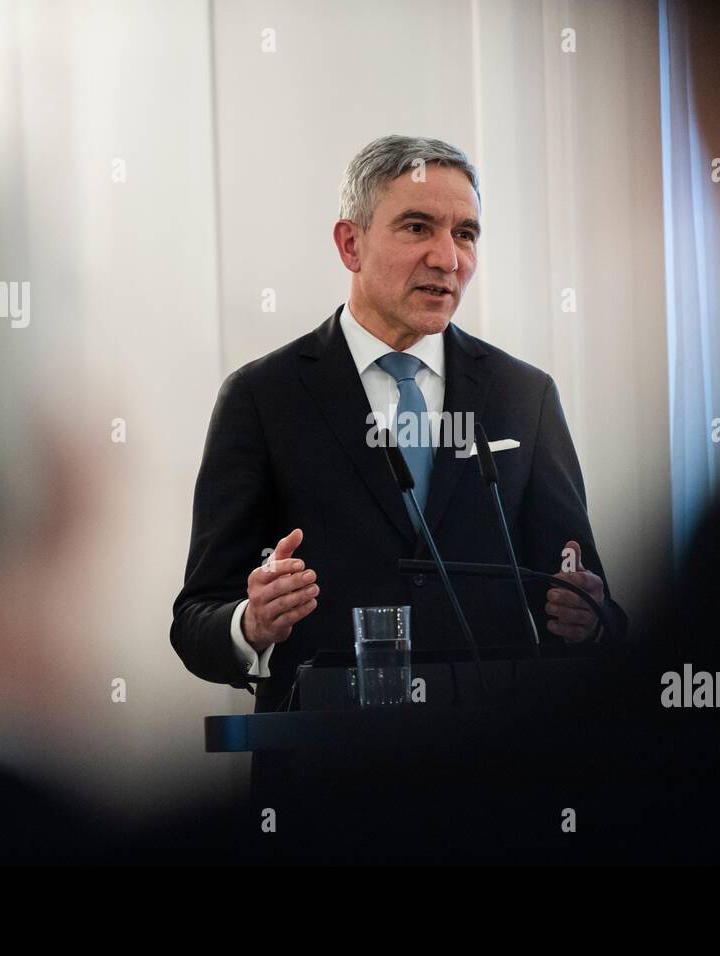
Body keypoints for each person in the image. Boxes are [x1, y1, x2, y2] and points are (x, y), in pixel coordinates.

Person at [170, 135, 628, 711]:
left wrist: (588, 619)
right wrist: (252, 623)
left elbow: (587, 598)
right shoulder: (262, 397)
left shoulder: (523, 395)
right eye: (418, 228)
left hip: (491, 764)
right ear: (350, 244)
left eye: (465, 233)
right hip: (327, 766)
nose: (448, 258)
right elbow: (195, 622)